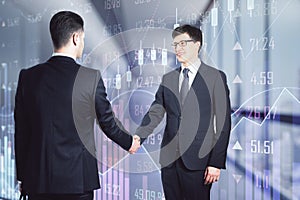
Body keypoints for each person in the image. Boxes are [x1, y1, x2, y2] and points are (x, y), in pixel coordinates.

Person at [14, 11, 140, 200]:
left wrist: (24, 177)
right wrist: (130, 142)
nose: (82, 43)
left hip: (39, 183)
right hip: (77, 183)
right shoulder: (90, 78)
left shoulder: (28, 77)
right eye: (82, 38)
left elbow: (22, 133)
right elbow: (107, 122)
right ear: (75, 37)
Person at [135, 24, 231, 200]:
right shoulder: (168, 78)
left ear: (197, 45)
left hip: (199, 161)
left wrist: (215, 163)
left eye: (183, 43)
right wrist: (138, 137)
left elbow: (224, 123)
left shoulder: (215, 77)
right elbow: (155, 112)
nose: (178, 49)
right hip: (169, 161)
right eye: (175, 44)